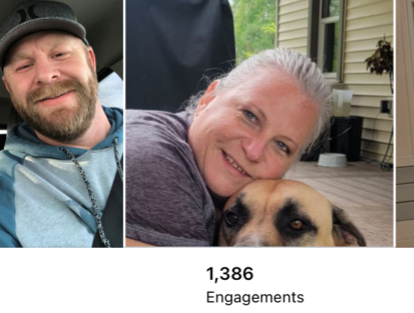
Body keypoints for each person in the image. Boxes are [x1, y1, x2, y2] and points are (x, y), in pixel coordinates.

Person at [124, 48, 332, 247]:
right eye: (250, 116)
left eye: (281, 145)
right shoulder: (153, 163)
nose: (254, 151)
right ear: (207, 99)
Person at [0, 0, 124, 248]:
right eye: (24, 66)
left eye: (60, 54)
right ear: (8, 86)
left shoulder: (168, 137)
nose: (45, 75)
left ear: (91, 62)